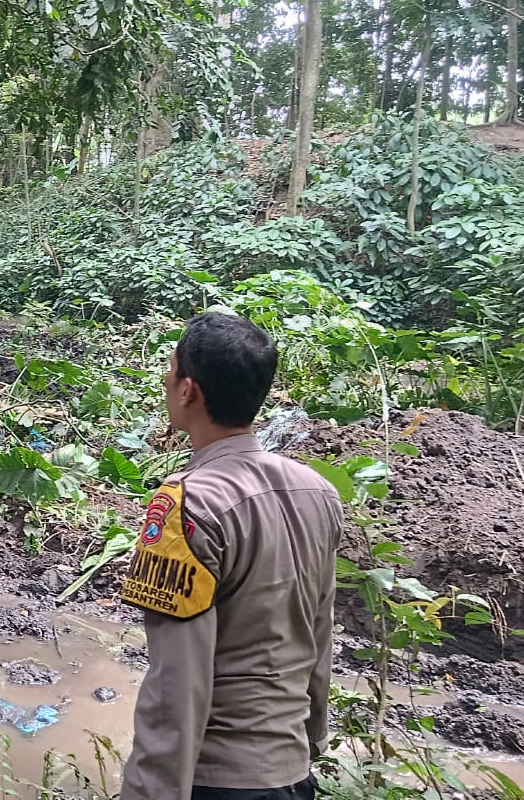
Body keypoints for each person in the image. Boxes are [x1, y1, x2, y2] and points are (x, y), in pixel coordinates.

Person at [119, 312, 342, 800]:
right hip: (291, 772)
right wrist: (312, 740)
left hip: (216, 779)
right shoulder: (319, 492)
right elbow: (318, 632)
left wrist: (150, 792)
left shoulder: (186, 504)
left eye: (171, 369)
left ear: (188, 391)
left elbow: (177, 680)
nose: (165, 379)